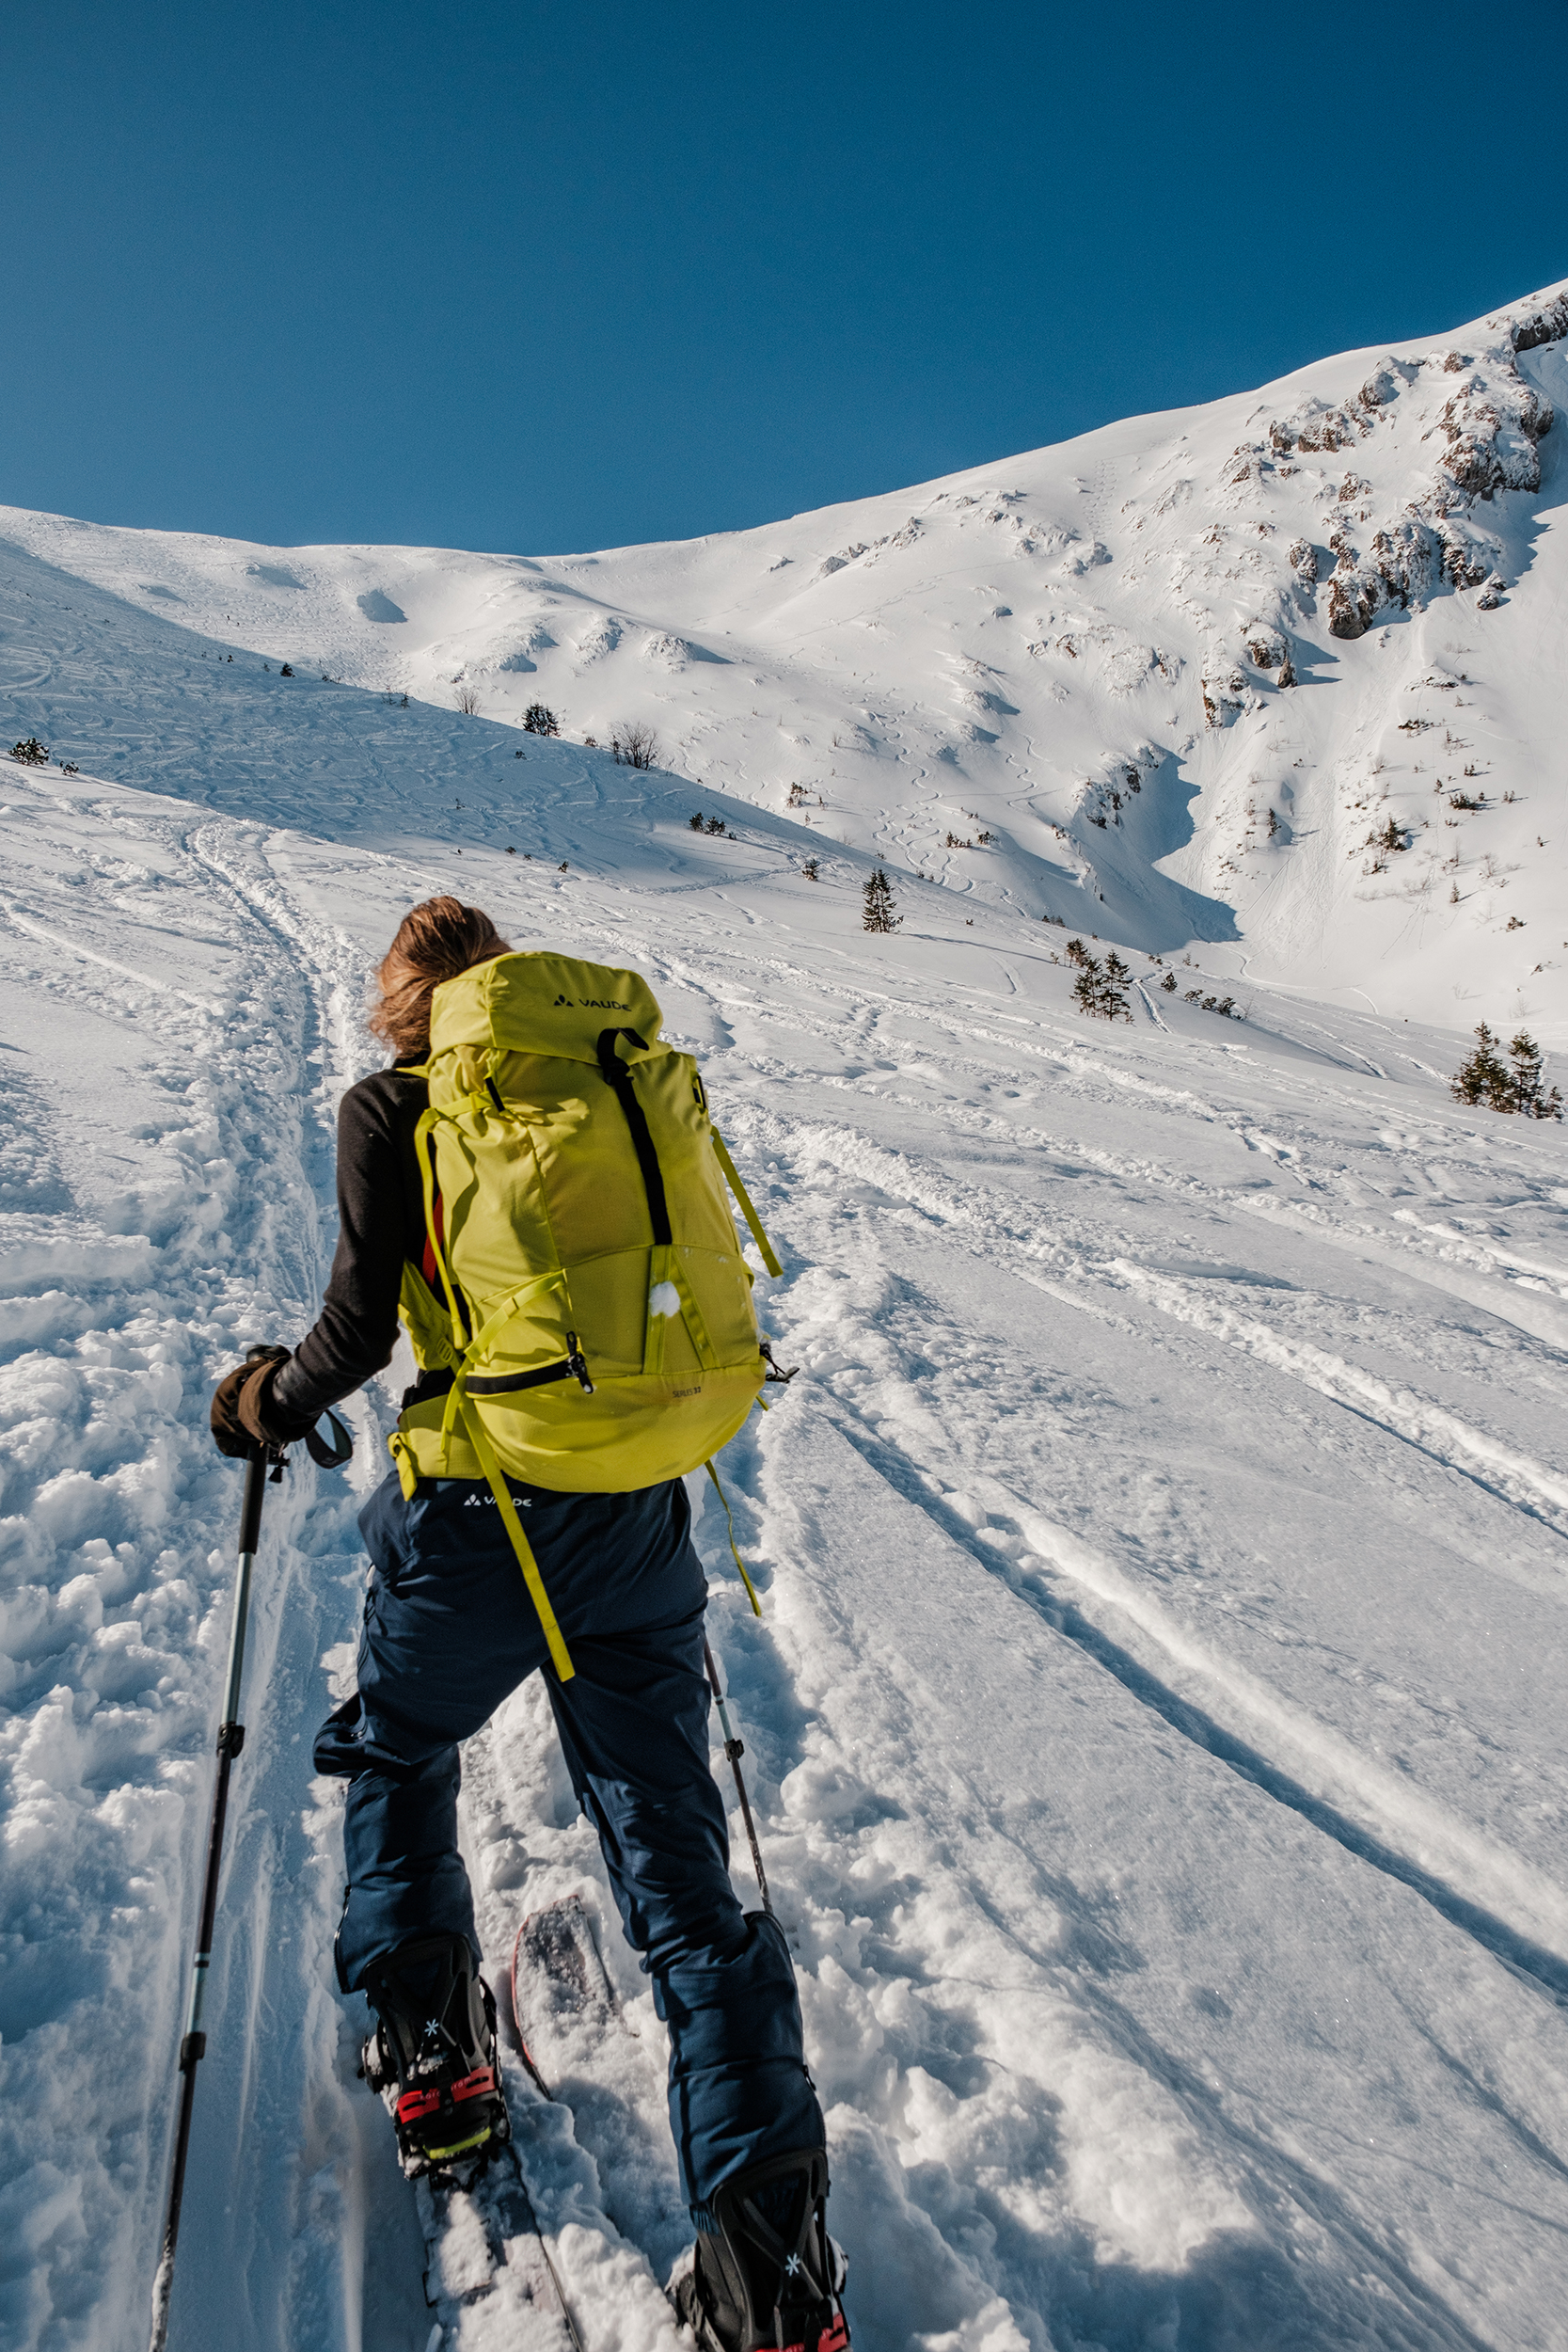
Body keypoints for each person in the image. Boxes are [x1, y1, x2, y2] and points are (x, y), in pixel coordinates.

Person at [210, 898, 848, 2352]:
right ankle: (773, 2271)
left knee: (395, 1745)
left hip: (478, 1517)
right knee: (683, 1885)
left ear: (401, 1003)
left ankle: (433, 2052)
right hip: (632, 1517)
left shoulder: (394, 1106)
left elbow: (358, 1329)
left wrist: (262, 1404)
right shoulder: (610, 1079)